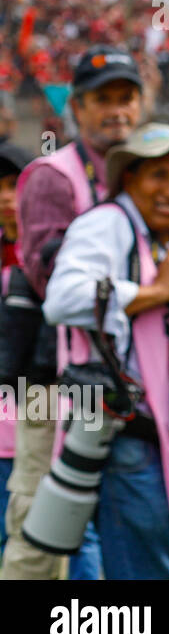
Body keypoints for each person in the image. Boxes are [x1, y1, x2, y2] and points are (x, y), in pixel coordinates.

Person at [42, 123, 169, 579]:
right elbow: (62, 298)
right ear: (129, 178)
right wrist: (159, 290)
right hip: (130, 438)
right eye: (159, 175)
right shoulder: (107, 223)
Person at [2, 46, 140, 580]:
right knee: (42, 530)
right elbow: (51, 278)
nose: (116, 111)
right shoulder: (53, 176)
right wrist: (149, 289)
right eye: (101, 99)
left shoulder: (151, 171)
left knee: (136, 522)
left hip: (132, 377)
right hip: (57, 382)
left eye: (126, 98)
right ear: (76, 109)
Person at [0, 140, 35, 560]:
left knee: (72, 545)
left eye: (16, 184)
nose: (7, 198)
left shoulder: (59, 256)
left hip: (45, 426)